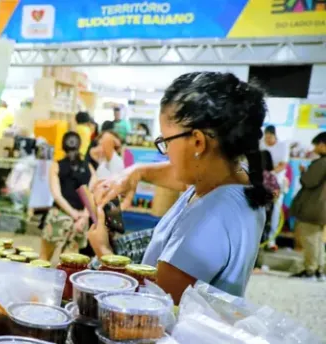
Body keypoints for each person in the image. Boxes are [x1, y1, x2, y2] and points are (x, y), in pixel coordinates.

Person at [90, 71, 269, 302]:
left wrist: (104, 252)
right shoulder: (234, 178)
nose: (166, 153)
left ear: (197, 142)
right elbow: (179, 175)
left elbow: (152, 307)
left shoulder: (208, 224)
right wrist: (136, 172)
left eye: (166, 141)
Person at [40, 131, 92, 260]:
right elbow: (92, 195)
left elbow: (57, 195)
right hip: (80, 221)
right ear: (80, 145)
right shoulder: (89, 168)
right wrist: (83, 217)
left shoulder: (56, 165)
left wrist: (72, 213)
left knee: (44, 257)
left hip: (59, 216)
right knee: (69, 262)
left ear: (63, 146)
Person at [290, 132, 326, 281]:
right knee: (317, 240)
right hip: (321, 209)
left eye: (316, 145)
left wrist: (305, 173)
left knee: (310, 239)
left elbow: (309, 181)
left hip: (313, 207)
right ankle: (319, 270)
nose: (315, 148)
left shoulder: (322, 162)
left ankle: (310, 270)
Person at [260, 125, 289, 250]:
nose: (268, 139)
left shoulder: (282, 146)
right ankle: (258, 238)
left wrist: (271, 173)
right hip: (261, 182)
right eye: (266, 137)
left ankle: (271, 241)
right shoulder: (260, 144)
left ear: (275, 136)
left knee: (275, 213)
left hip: (276, 182)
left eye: (270, 137)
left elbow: (283, 165)